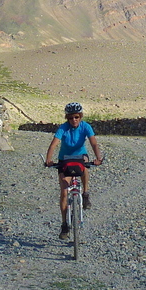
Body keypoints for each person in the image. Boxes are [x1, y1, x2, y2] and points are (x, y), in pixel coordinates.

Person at [44, 102, 103, 240]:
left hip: (80, 156)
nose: (74, 120)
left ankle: (86, 192)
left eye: (76, 117)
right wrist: (48, 159)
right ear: (67, 118)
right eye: (70, 118)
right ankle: (64, 224)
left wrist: (98, 158)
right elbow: (53, 144)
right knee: (64, 192)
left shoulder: (85, 126)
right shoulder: (63, 128)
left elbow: (93, 143)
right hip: (64, 158)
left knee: (85, 165)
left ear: (80, 116)